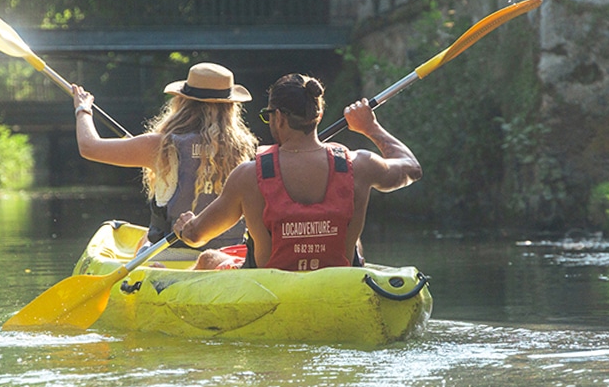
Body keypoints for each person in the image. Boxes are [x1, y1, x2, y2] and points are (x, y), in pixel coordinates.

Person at [172, 73, 422, 270]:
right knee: (354, 242)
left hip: (269, 287)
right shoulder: (361, 165)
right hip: (339, 282)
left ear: (278, 117)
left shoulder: (248, 176)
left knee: (208, 258)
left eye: (267, 116)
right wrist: (371, 127)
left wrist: (185, 226)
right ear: (319, 114)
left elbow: (197, 236)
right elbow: (412, 168)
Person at [71, 62, 258, 254]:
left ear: (183, 103)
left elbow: (89, 147)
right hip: (231, 255)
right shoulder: (244, 148)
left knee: (147, 239)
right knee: (144, 237)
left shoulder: (162, 146)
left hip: (172, 254)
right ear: (231, 108)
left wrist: (83, 109)